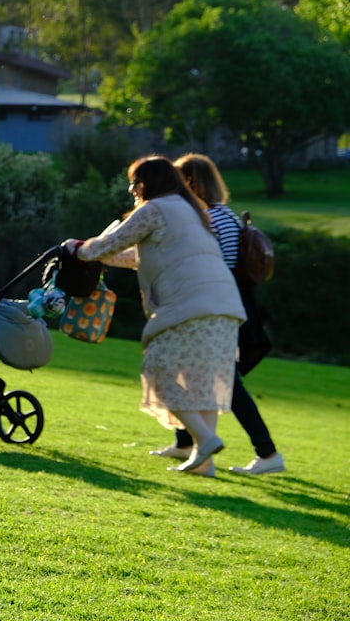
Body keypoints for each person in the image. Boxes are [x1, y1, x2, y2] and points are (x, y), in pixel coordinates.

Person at [64, 155, 246, 477]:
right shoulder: (191, 210)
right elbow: (138, 256)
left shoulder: (154, 210)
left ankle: (205, 439)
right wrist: (99, 256)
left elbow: (113, 241)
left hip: (191, 306)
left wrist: (77, 249)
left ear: (150, 183)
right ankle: (204, 463)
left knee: (157, 368)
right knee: (202, 381)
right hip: (224, 304)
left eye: (135, 183)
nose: (132, 190)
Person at [151, 153, 284, 475]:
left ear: (191, 183)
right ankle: (185, 442)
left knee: (227, 383)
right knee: (194, 372)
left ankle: (267, 454)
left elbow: (211, 266)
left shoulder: (211, 217)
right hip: (229, 304)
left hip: (217, 308)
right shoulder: (224, 215)